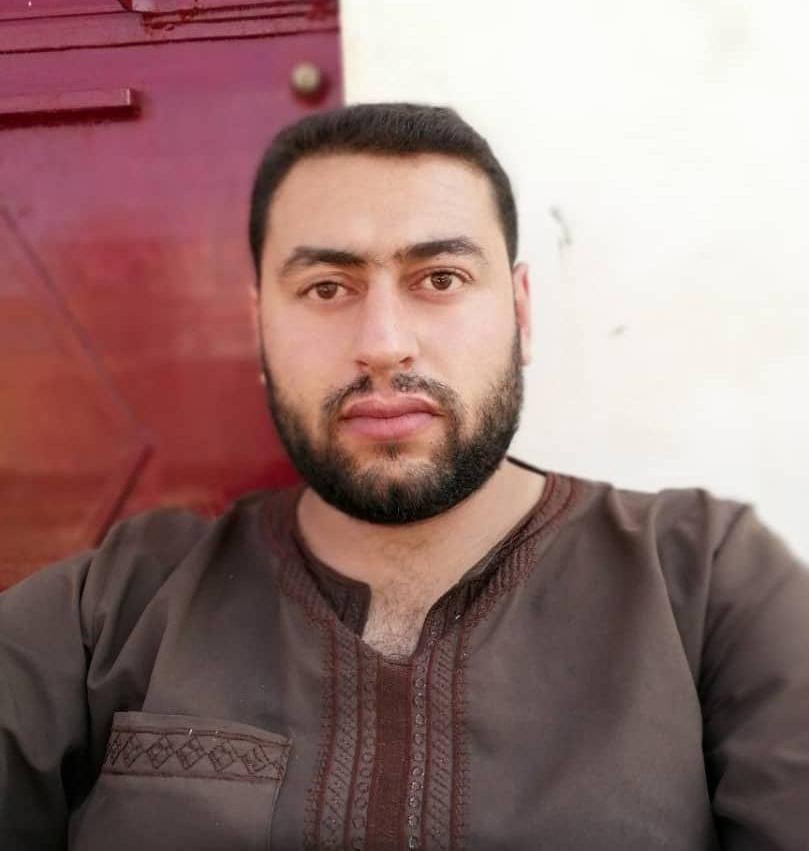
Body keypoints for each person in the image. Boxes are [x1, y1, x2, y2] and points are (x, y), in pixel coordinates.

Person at [1, 103, 807, 851]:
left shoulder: (707, 584)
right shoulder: (104, 611)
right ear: (259, 329)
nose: (383, 343)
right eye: (326, 288)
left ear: (520, 311)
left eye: (440, 278)